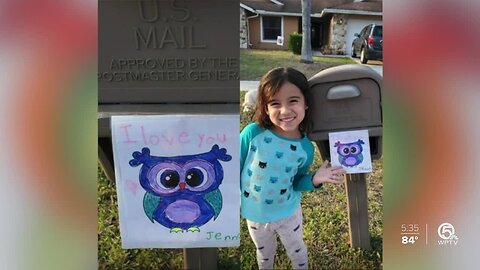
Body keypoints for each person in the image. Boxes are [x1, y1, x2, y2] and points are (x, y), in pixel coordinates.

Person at [240, 67, 346, 269]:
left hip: (288, 214)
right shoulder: (252, 133)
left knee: (297, 250)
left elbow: (297, 182)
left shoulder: (305, 147)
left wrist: (316, 178)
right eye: (275, 103)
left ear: (306, 103)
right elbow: (233, 168)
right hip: (255, 215)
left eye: (293, 101)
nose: (285, 111)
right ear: (265, 107)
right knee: (264, 254)